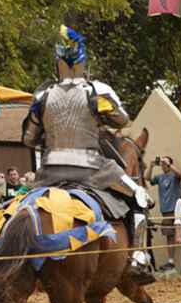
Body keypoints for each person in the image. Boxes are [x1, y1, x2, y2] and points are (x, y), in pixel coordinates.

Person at [22, 25, 153, 285]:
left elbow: (28, 139)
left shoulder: (42, 96)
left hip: (49, 172)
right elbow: (122, 121)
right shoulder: (97, 92)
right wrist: (102, 110)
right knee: (140, 197)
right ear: (83, 64)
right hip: (93, 169)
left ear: (57, 64)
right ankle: (138, 258)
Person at [145, 156, 181, 271]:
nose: (163, 165)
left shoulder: (174, 176)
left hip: (176, 210)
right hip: (165, 211)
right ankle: (170, 261)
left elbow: (179, 174)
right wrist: (151, 166)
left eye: (165, 162)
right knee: (169, 235)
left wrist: (169, 164)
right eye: (161, 163)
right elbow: (147, 178)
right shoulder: (160, 177)